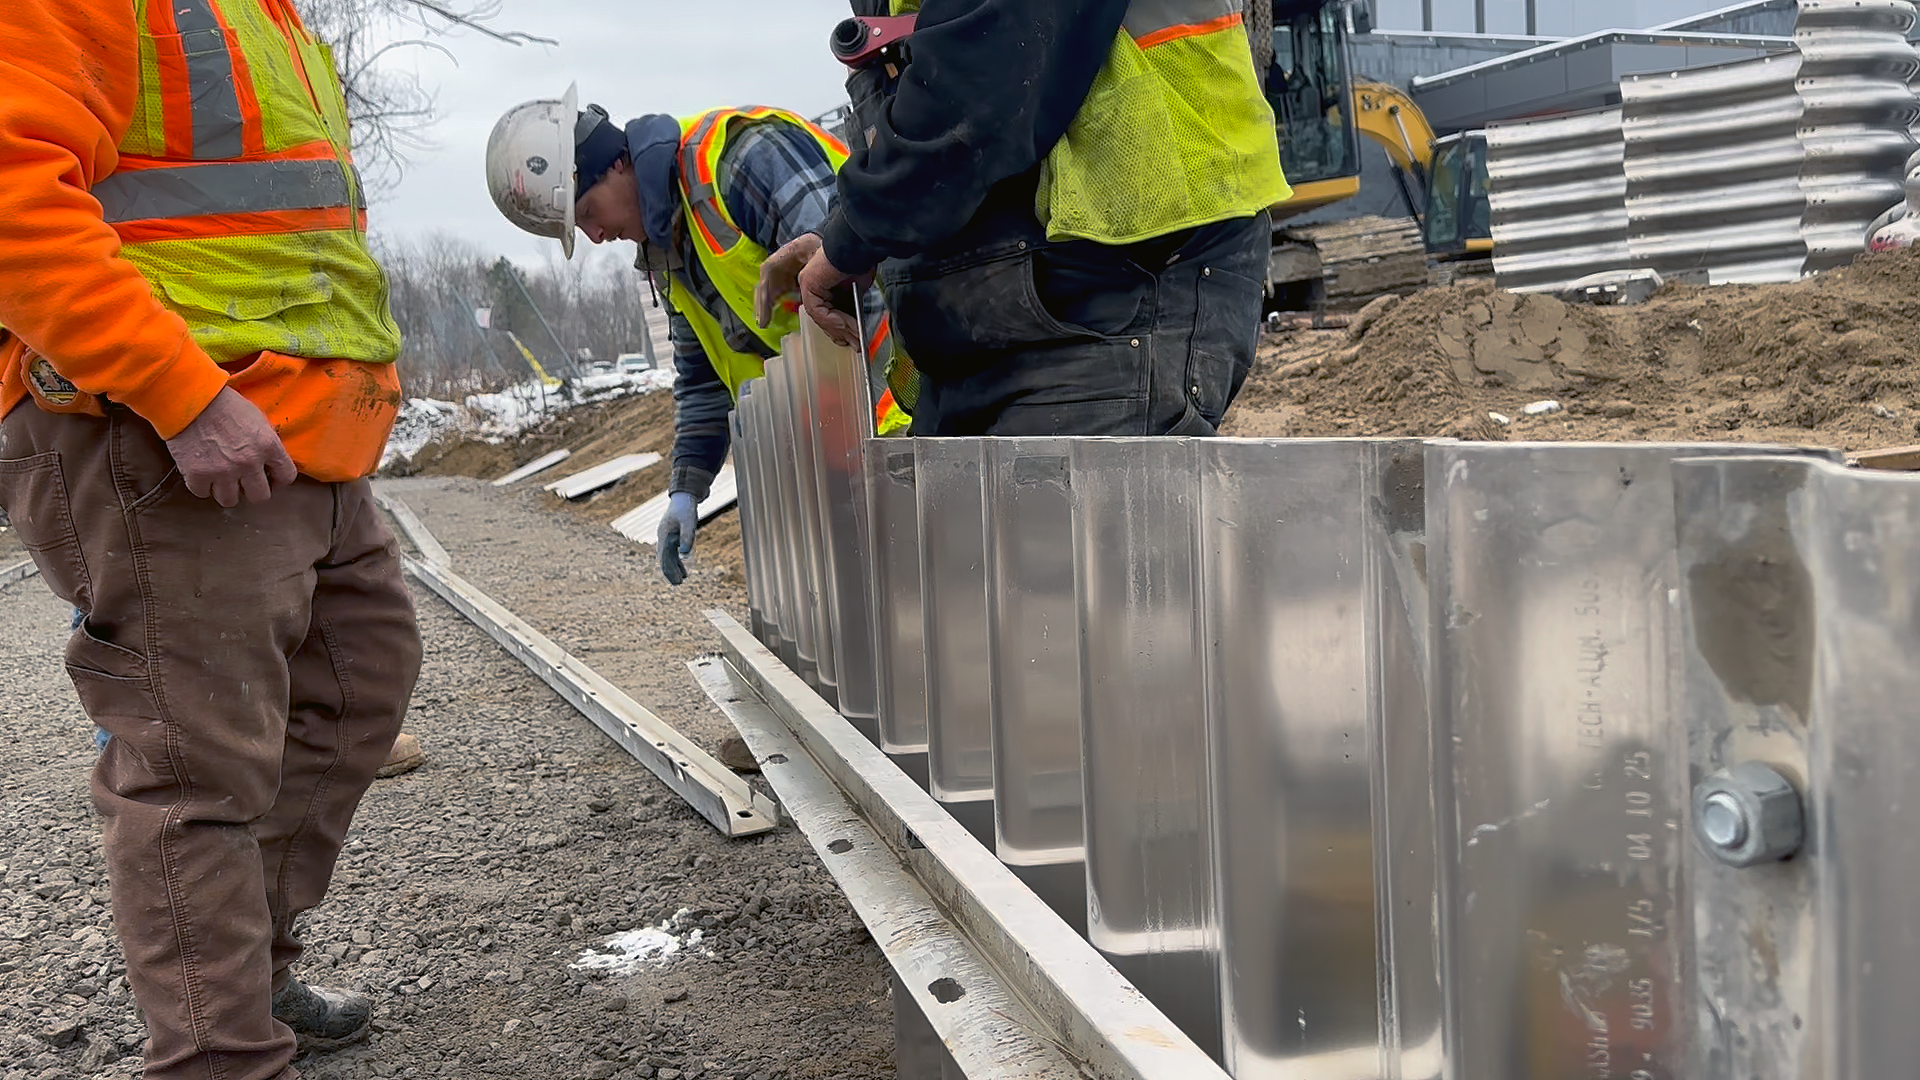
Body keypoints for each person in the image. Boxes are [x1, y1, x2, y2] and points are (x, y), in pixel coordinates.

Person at [0, 3, 423, 1078]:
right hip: (160, 426)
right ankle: (221, 1054)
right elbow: (13, 195)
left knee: (357, 683)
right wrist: (180, 396)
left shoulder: (261, 12)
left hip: (289, 431)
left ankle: (252, 977)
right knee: (196, 766)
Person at [761, 0, 1291, 437]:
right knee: (984, 559)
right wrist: (855, 228)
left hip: (1118, 285)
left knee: (1069, 554)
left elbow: (991, 62)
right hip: (997, 319)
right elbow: (925, 91)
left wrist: (856, 233)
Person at [486, 91, 899, 585]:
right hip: (841, 448)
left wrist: (885, 447)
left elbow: (861, 276)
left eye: (589, 212)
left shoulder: (739, 160)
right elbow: (703, 381)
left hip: (905, 410)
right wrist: (686, 489)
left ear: (616, 164)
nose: (596, 237)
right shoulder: (670, 253)